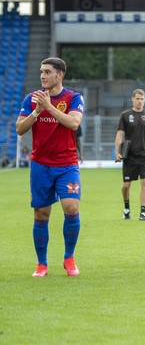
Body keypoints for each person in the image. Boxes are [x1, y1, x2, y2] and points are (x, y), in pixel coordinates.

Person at [15, 57, 84, 277]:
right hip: (41, 165)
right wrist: (37, 111)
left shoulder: (73, 98)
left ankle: (69, 258)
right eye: (41, 72)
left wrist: (49, 107)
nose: (43, 76)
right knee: (42, 214)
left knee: (72, 207)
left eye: (47, 72)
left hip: (67, 164)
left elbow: (74, 123)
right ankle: (42, 264)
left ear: (59, 74)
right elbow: (19, 129)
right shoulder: (31, 98)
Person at [114, 89, 145, 221]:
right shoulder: (125, 115)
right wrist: (117, 152)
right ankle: (126, 207)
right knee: (126, 185)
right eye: (137, 99)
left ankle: (143, 212)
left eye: (142, 99)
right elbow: (120, 134)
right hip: (130, 156)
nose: (140, 101)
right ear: (132, 99)